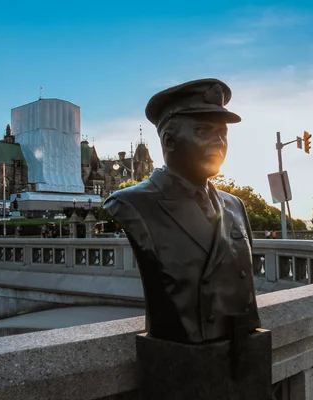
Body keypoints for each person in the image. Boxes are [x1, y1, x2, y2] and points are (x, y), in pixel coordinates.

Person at [104, 78, 261, 344]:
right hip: (185, 355)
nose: (218, 142)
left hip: (244, 349)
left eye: (223, 133)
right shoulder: (132, 203)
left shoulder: (234, 205)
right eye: (203, 131)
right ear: (169, 141)